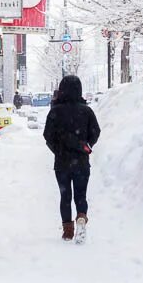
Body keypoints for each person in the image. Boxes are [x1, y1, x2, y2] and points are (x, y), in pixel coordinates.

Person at [43, 75, 100, 241]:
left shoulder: (55, 111)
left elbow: (47, 135)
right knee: (80, 195)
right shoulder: (86, 111)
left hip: (61, 162)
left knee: (65, 196)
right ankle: (81, 217)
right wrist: (85, 145)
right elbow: (96, 132)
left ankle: (67, 230)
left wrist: (57, 149)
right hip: (81, 161)